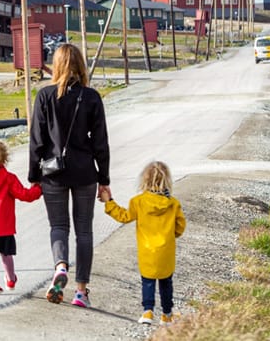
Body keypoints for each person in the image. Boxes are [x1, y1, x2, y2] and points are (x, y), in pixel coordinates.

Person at [28, 43, 110, 308]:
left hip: (53, 173)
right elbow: (100, 142)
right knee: (84, 231)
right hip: (85, 172)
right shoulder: (91, 97)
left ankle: (61, 266)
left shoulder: (45, 96)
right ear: (81, 65)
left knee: (58, 226)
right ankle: (81, 291)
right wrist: (104, 180)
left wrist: (33, 175)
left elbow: (37, 141)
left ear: (57, 64)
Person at [100, 161, 186, 325]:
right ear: (167, 180)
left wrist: (108, 201)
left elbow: (124, 217)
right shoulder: (173, 204)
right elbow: (180, 227)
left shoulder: (138, 202)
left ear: (144, 181)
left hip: (147, 252)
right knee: (166, 282)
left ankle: (147, 312)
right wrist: (170, 235)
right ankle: (167, 315)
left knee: (148, 281)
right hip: (166, 251)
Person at [0, 139, 42, 295]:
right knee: (6, 254)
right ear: (5, 157)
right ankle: (11, 278)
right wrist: (38, 189)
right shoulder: (9, 178)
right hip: (4, 224)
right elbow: (25, 195)